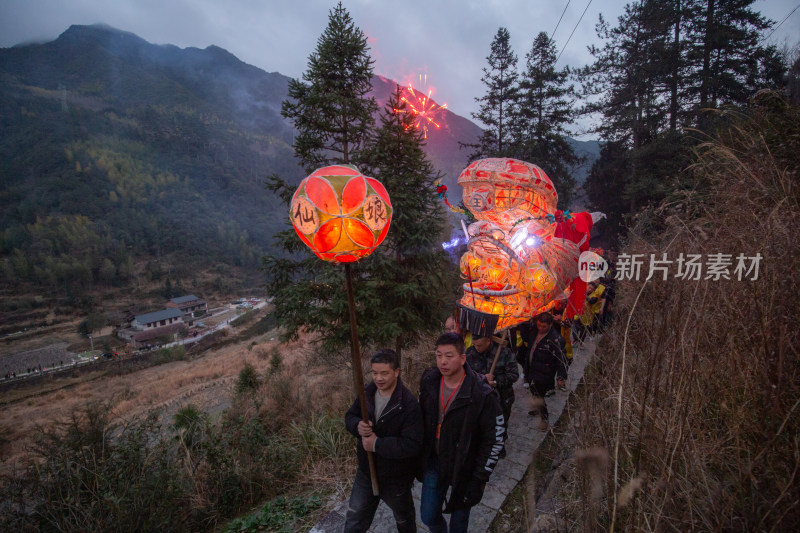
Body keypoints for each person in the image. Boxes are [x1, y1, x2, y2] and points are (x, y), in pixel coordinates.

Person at [418, 332, 504, 533]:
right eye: (439, 355)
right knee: (428, 515)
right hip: (435, 461)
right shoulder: (430, 381)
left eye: (449, 356)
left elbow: (495, 439)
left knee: (459, 523)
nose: (442, 361)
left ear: (463, 358)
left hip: (465, 466)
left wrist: (480, 477)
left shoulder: (481, 393)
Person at [343, 349, 423, 533]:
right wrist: (357, 426)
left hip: (395, 477)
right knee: (355, 517)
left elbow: (412, 444)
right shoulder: (367, 393)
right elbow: (350, 416)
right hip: (366, 470)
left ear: (397, 372)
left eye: (384, 373)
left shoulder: (408, 404)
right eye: (374, 373)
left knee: (404, 519)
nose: (378, 378)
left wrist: (377, 444)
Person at [465, 332, 519, 457]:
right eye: (475, 345)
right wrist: (482, 378)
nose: (476, 348)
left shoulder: (504, 353)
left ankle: (499, 446)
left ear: (488, 341)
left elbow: (514, 375)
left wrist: (495, 382)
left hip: (502, 397)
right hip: (479, 397)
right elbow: (465, 375)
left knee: (501, 424)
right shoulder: (470, 353)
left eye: (479, 345)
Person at [520, 312, 568, 431]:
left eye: (544, 326)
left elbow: (561, 359)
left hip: (544, 372)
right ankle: (538, 408)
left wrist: (561, 377)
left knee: (538, 394)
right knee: (533, 390)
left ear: (550, 325)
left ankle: (544, 416)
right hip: (531, 368)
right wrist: (523, 323)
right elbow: (525, 338)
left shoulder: (556, 339)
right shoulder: (534, 332)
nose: (540, 328)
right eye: (539, 325)